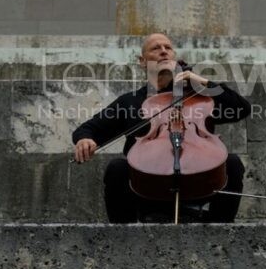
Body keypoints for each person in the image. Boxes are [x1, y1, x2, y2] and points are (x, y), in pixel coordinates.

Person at [72, 33, 251, 223]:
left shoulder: (199, 96)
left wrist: (204, 83)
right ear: (142, 61)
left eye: (168, 48)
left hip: (199, 178)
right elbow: (87, 129)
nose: (164, 52)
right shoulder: (130, 101)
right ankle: (123, 237)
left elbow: (241, 108)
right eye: (156, 48)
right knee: (117, 168)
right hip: (147, 184)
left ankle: (220, 232)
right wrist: (85, 139)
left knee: (231, 163)